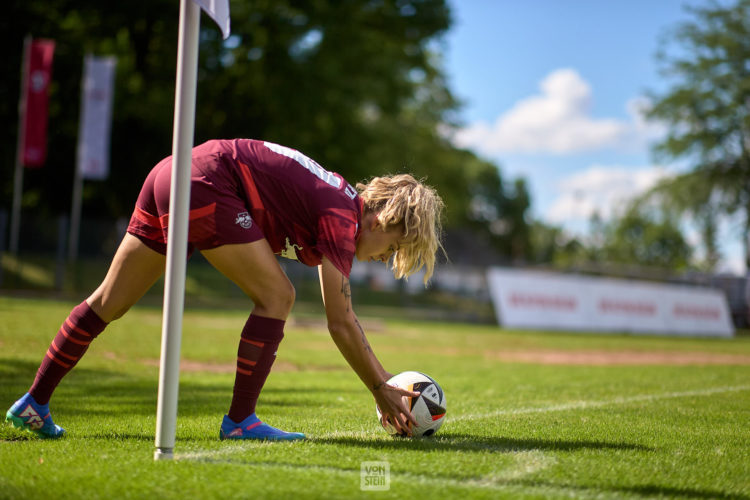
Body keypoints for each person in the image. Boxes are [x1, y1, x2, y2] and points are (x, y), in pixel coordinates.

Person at [5, 139, 444, 441]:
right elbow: (340, 321)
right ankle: (239, 421)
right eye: (392, 250)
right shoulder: (341, 217)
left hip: (171, 172)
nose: (384, 259)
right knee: (278, 297)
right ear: (381, 220)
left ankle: (34, 404)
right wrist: (380, 386)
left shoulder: (339, 200)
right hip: (205, 183)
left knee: (108, 302)